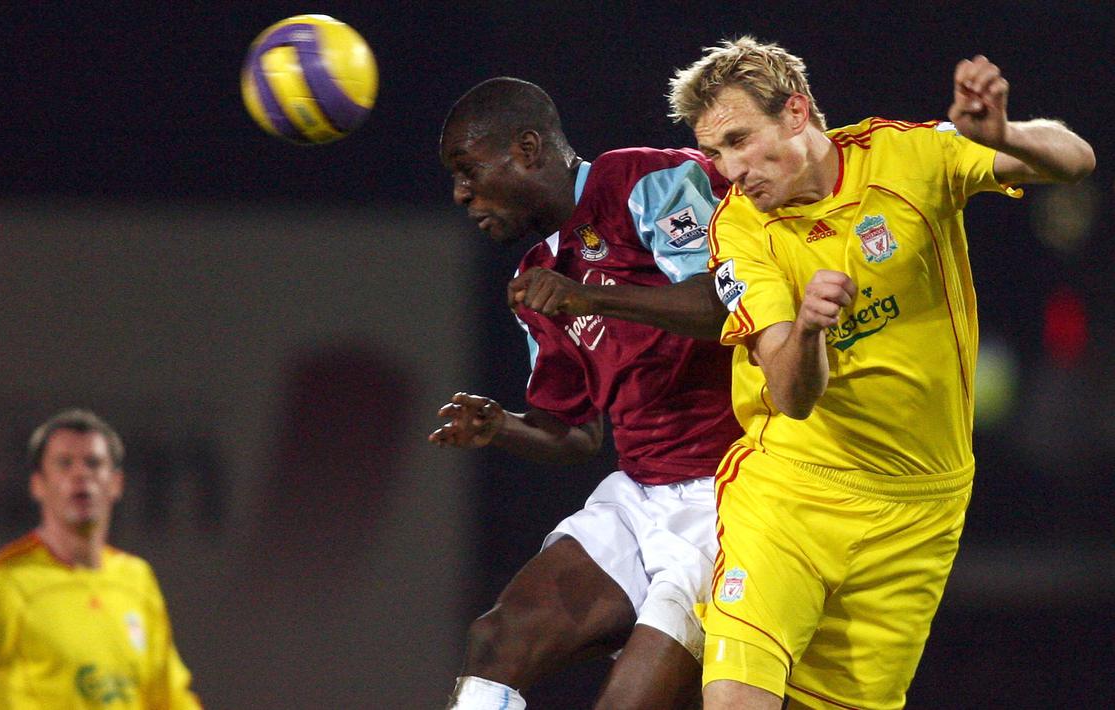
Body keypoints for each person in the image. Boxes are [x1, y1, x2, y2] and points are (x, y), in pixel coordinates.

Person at [666, 37, 1095, 709]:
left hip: (920, 509)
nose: (729, 169)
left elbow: (1074, 162)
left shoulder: (905, 157)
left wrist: (1003, 133)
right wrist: (808, 328)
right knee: (734, 700)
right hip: (791, 496)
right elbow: (789, 394)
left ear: (797, 112)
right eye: (716, 152)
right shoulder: (740, 231)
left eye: (740, 140)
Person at [431, 76, 742, 710]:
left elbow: (727, 305)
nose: (462, 194)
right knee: (498, 639)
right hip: (640, 493)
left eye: (468, 170)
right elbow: (575, 433)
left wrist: (588, 296)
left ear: (525, 149)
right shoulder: (534, 278)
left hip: (731, 495)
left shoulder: (643, 182)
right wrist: (502, 427)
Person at [0, 409, 201, 710]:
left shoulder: (137, 579)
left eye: (94, 463)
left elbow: (170, 697)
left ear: (116, 483)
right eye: (64, 463)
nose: (80, 474)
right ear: (38, 485)